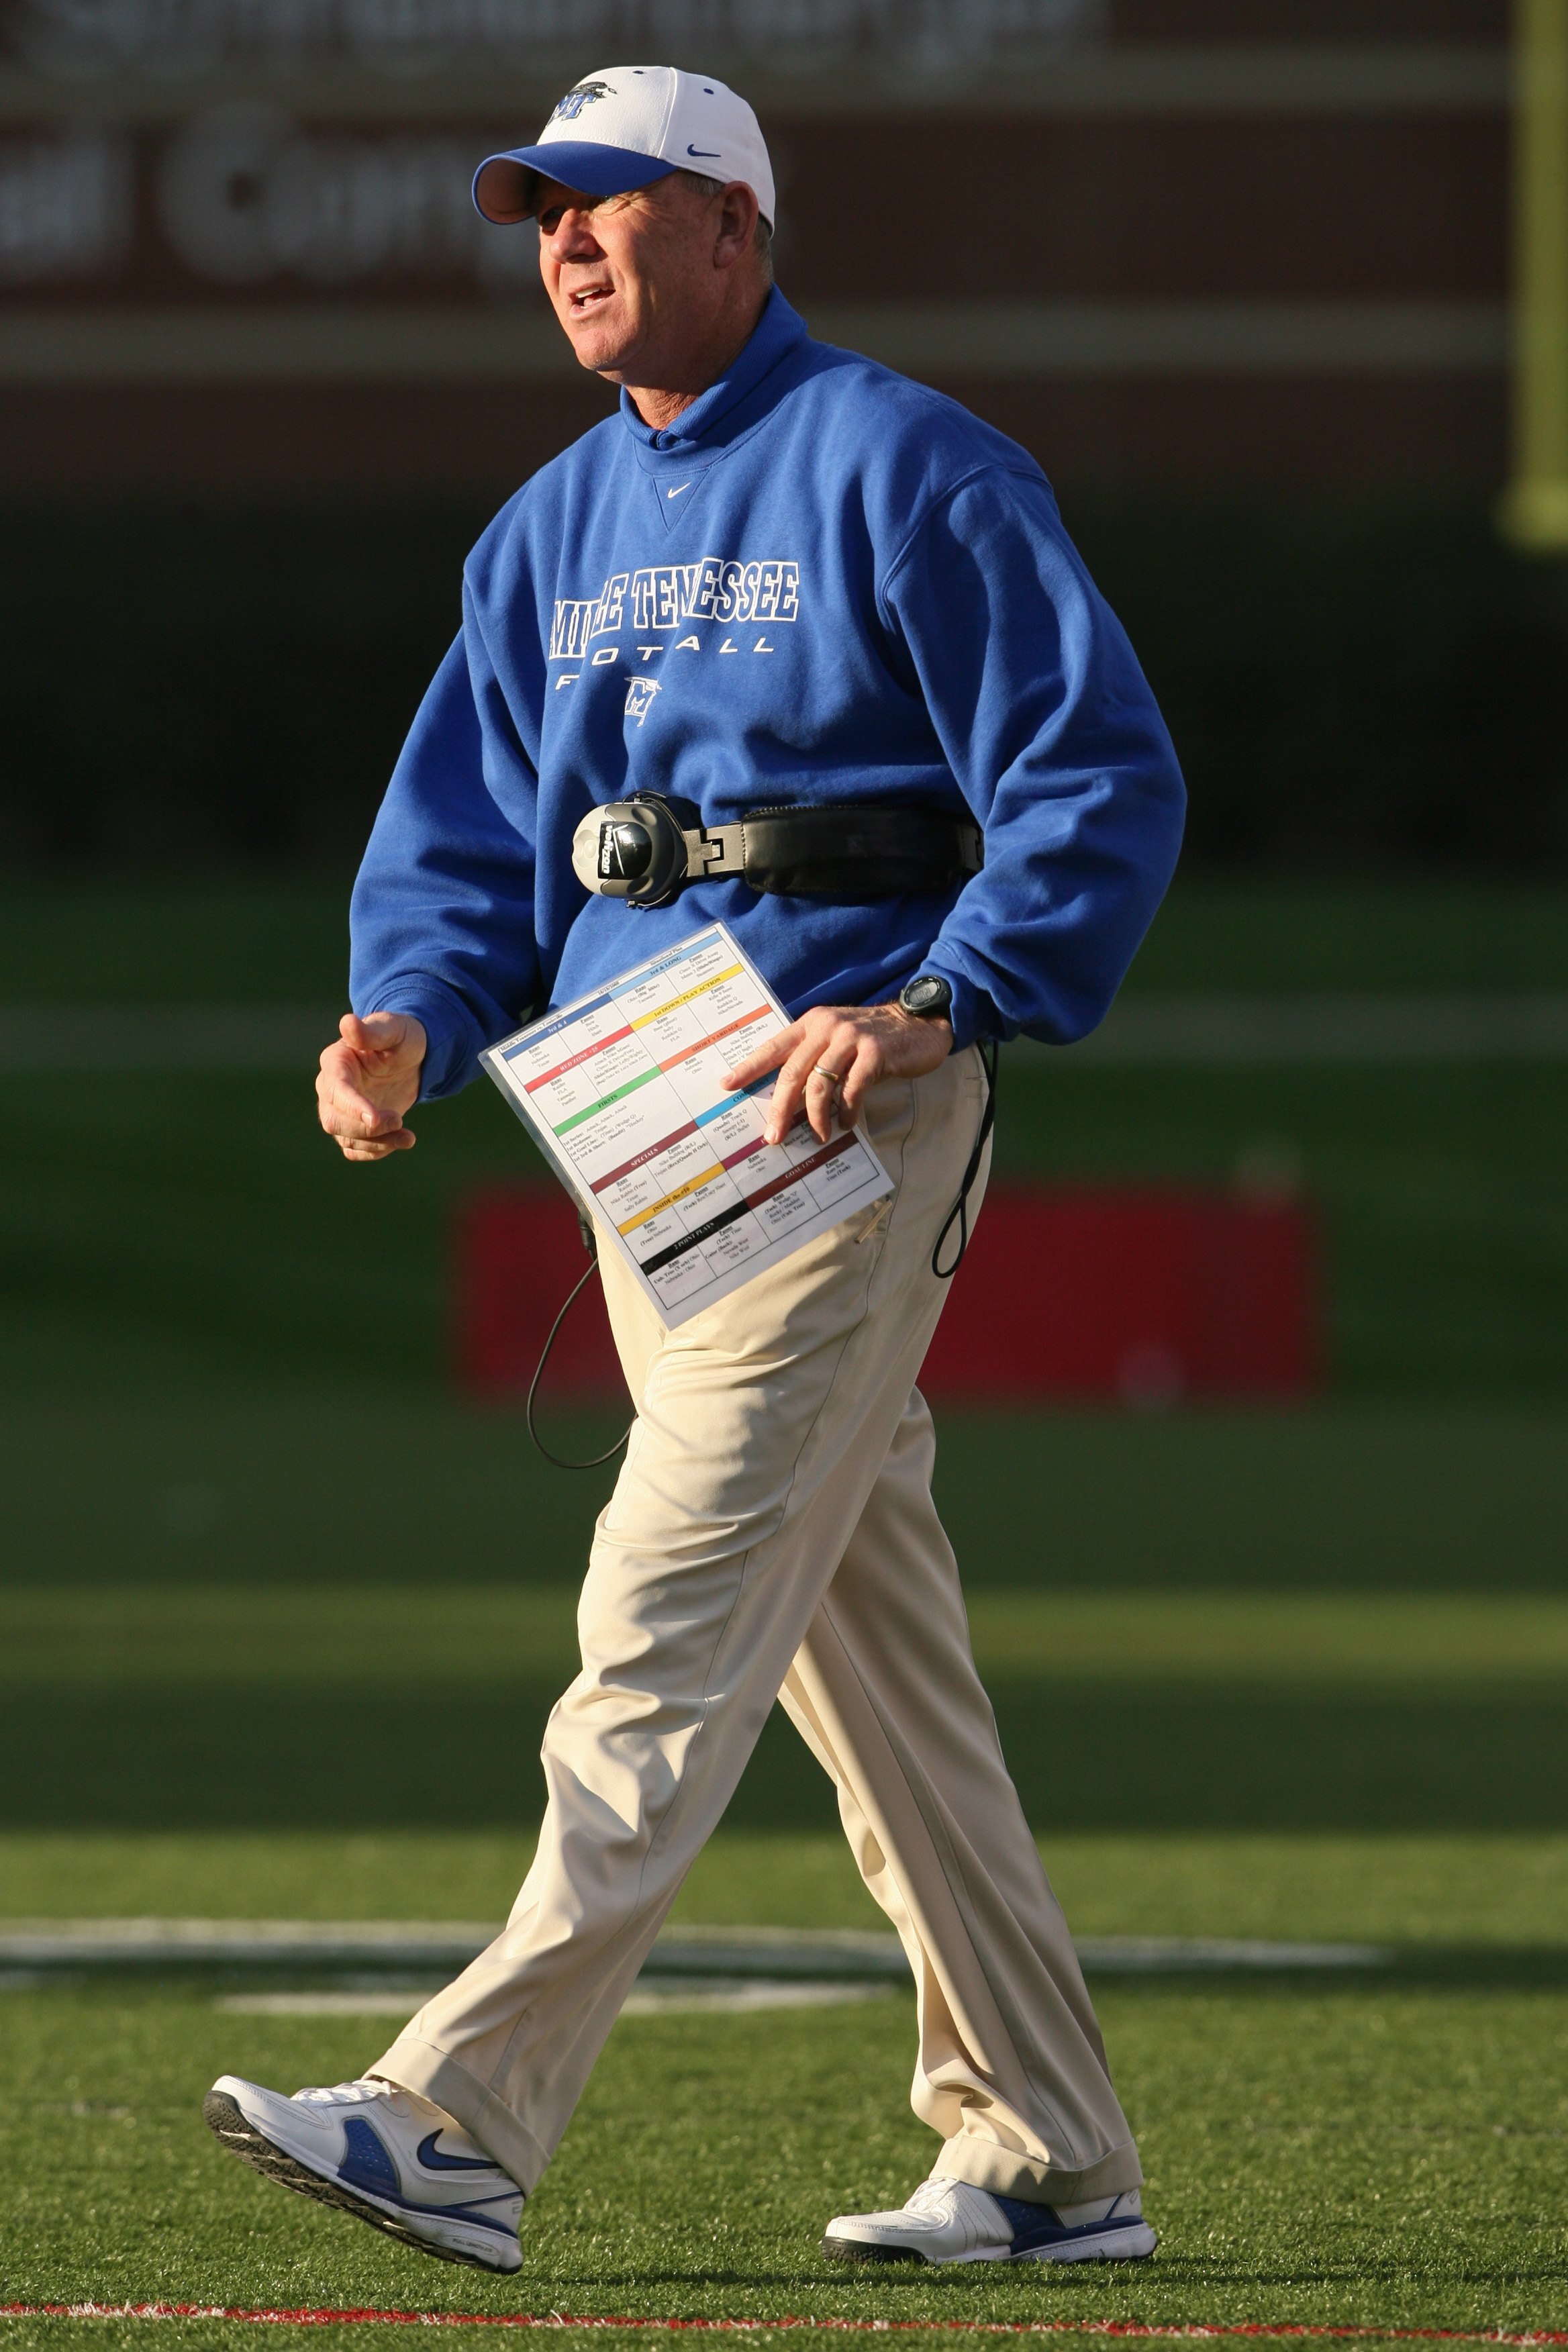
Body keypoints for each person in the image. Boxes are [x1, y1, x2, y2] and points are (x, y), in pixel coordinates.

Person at [203, 65, 1185, 2277]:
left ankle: (462, 2113)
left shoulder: (910, 465)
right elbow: (465, 845)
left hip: (838, 1114)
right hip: (639, 1124)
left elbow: (1097, 776)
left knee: (658, 1619)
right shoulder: (547, 527)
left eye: (610, 207)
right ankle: (1050, 2156)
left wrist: (948, 995)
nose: (565, 243)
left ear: (737, 229)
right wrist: (407, 1024)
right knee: (882, 1690)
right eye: (542, 215)